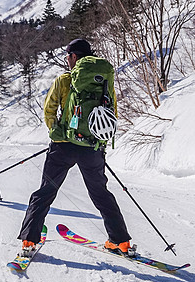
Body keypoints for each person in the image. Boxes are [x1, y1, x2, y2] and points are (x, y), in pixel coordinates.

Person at [17, 39, 132, 254]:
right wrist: (98, 141)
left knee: (45, 192)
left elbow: (49, 109)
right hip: (92, 148)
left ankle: (29, 240)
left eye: (68, 56)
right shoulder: (104, 81)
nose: (67, 60)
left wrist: (56, 132)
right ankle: (121, 241)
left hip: (63, 147)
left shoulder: (64, 80)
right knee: (100, 194)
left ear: (73, 57)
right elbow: (112, 113)